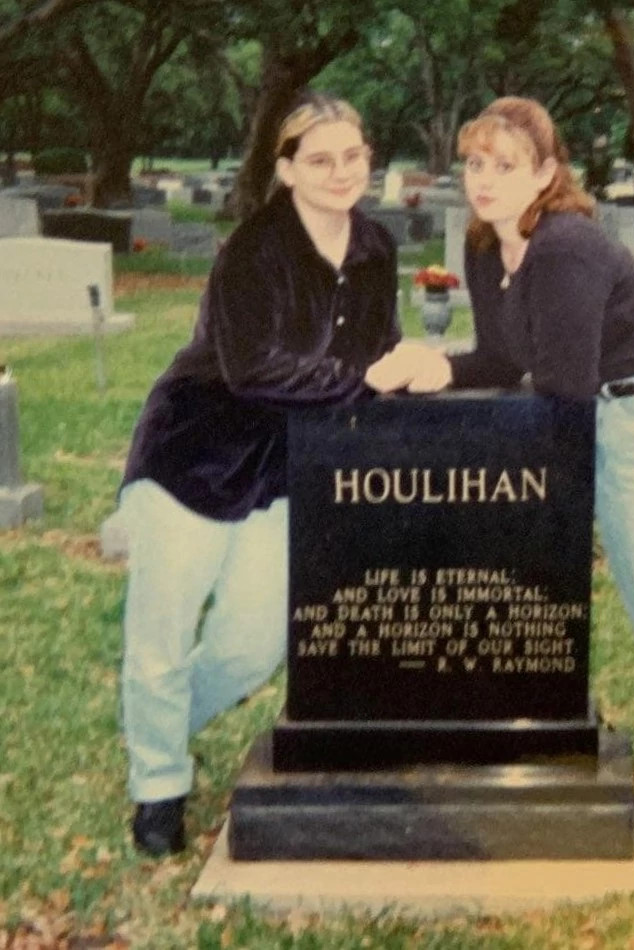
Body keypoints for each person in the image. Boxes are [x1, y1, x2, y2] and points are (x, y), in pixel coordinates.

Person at [366, 96, 634, 866]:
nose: (484, 181)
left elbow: (559, 385)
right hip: (612, 424)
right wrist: (432, 367)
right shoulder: (485, 244)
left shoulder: (565, 247)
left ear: (546, 175)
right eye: (475, 163)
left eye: (505, 166)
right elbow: (499, 360)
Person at [119, 93, 399, 856]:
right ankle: (157, 786)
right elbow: (252, 369)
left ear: (368, 159)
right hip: (194, 455)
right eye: (318, 159)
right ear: (286, 169)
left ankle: (159, 724)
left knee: (252, 644)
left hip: (282, 466)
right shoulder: (254, 248)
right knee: (161, 639)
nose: (339, 172)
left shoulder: (377, 246)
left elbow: (382, 347)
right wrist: (368, 377)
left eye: (352, 156)